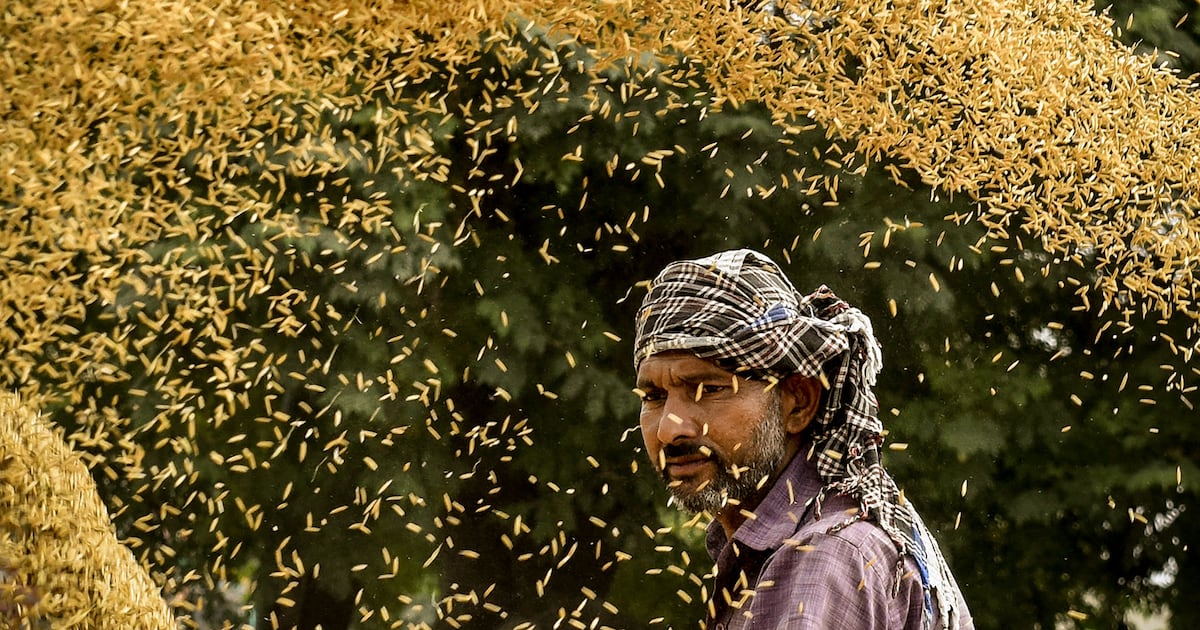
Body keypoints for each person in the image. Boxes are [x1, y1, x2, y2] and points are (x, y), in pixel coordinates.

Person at [633, 249, 973, 629]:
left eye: (708, 390)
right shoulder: (799, 541)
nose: (668, 429)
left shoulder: (824, 555)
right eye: (654, 397)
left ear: (798, 403)